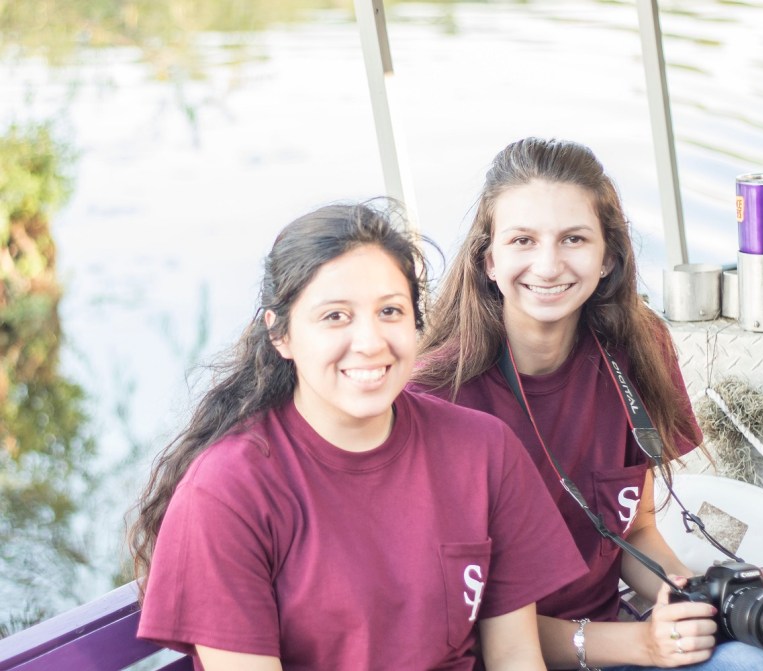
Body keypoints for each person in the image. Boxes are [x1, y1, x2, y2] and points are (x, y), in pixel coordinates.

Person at [128, 199, 589, 671]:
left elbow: (515, 655)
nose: (370, 342)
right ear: (280, 334)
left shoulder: (483, 450)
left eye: (390, 311)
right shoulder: (227, 491)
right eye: (335, 316)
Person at [411, 138, 763, 671]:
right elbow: (453, 616)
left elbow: (635, 530)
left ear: (608, 255)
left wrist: (698, 600)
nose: (548, 265)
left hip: (612, 640)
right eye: (523, 240)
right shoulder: (433, 396)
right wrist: (637, 646)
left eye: (573, 238)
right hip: (498, 655)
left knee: (755, 662)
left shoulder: (639, 347)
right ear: (489, 260)